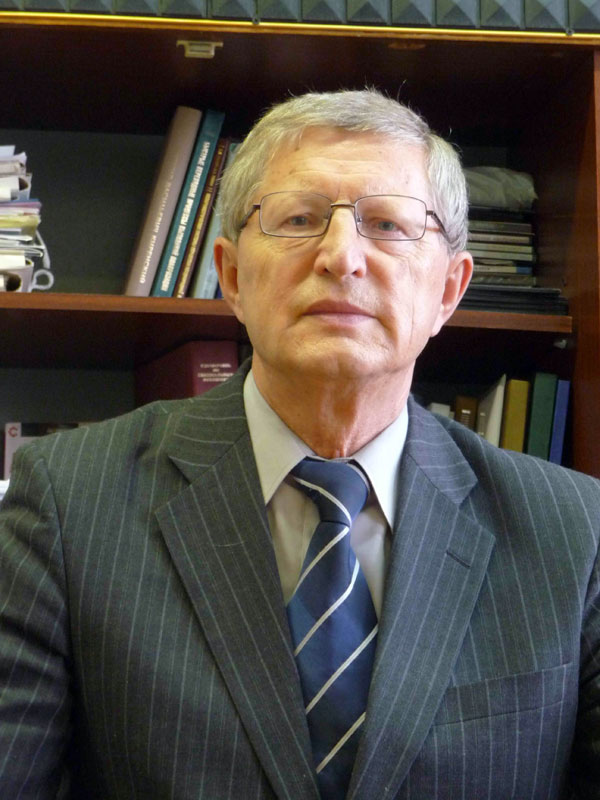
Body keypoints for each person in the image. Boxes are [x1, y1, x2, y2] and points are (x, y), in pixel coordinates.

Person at [1, 88, 599, 800]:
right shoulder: (67, 502)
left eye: (388, 223)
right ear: (231, 277)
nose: (341, 257)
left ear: (449, 290)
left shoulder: (574, 530)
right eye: (298, 219)